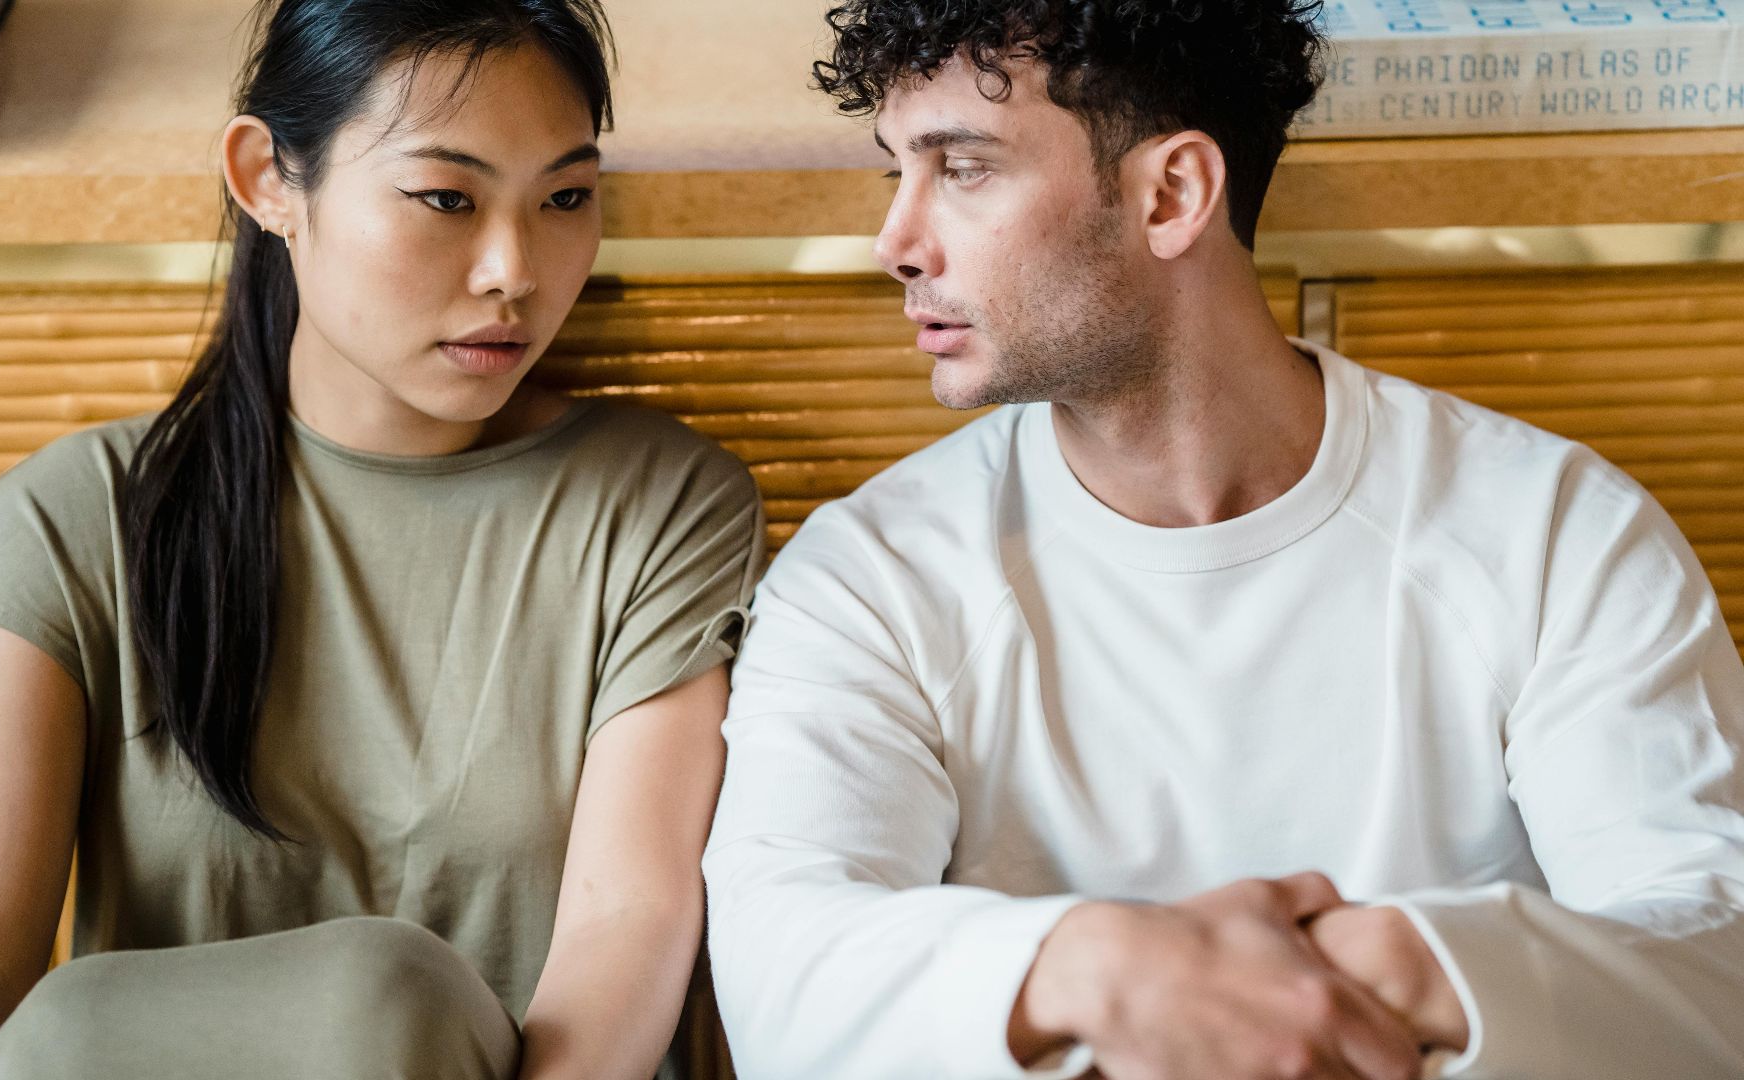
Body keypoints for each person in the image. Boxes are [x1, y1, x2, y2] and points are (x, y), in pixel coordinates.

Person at [702, 2, 1744, 1078]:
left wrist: (1406, 959)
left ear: (1172, 195)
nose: (896, 244)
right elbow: (782, 976)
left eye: (960, 169)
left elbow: (1719, 962)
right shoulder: (864, 576)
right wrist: (1104, 969)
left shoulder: (1558, 532)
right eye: (897, 175)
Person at [0, 2, 762, 1078]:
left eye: (565, 197)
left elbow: (630, 921)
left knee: (382, 999)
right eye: (446, 197)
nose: (513, 271)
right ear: (267, 180)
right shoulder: (70, 518)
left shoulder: (660, 505)